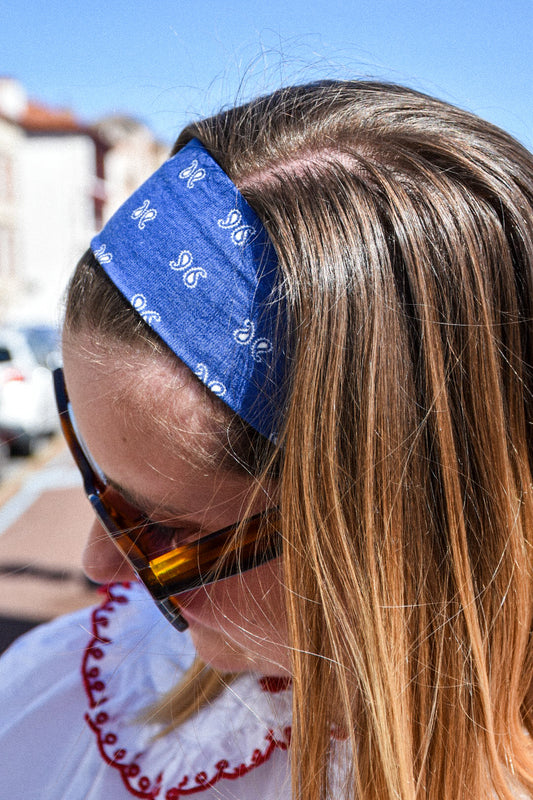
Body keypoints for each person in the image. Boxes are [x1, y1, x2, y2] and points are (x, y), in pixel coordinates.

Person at [0, 79, 532, 800]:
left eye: (172, 532)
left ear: (404, 527)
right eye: (93, 474)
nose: (99, 566)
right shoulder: (52, 708)